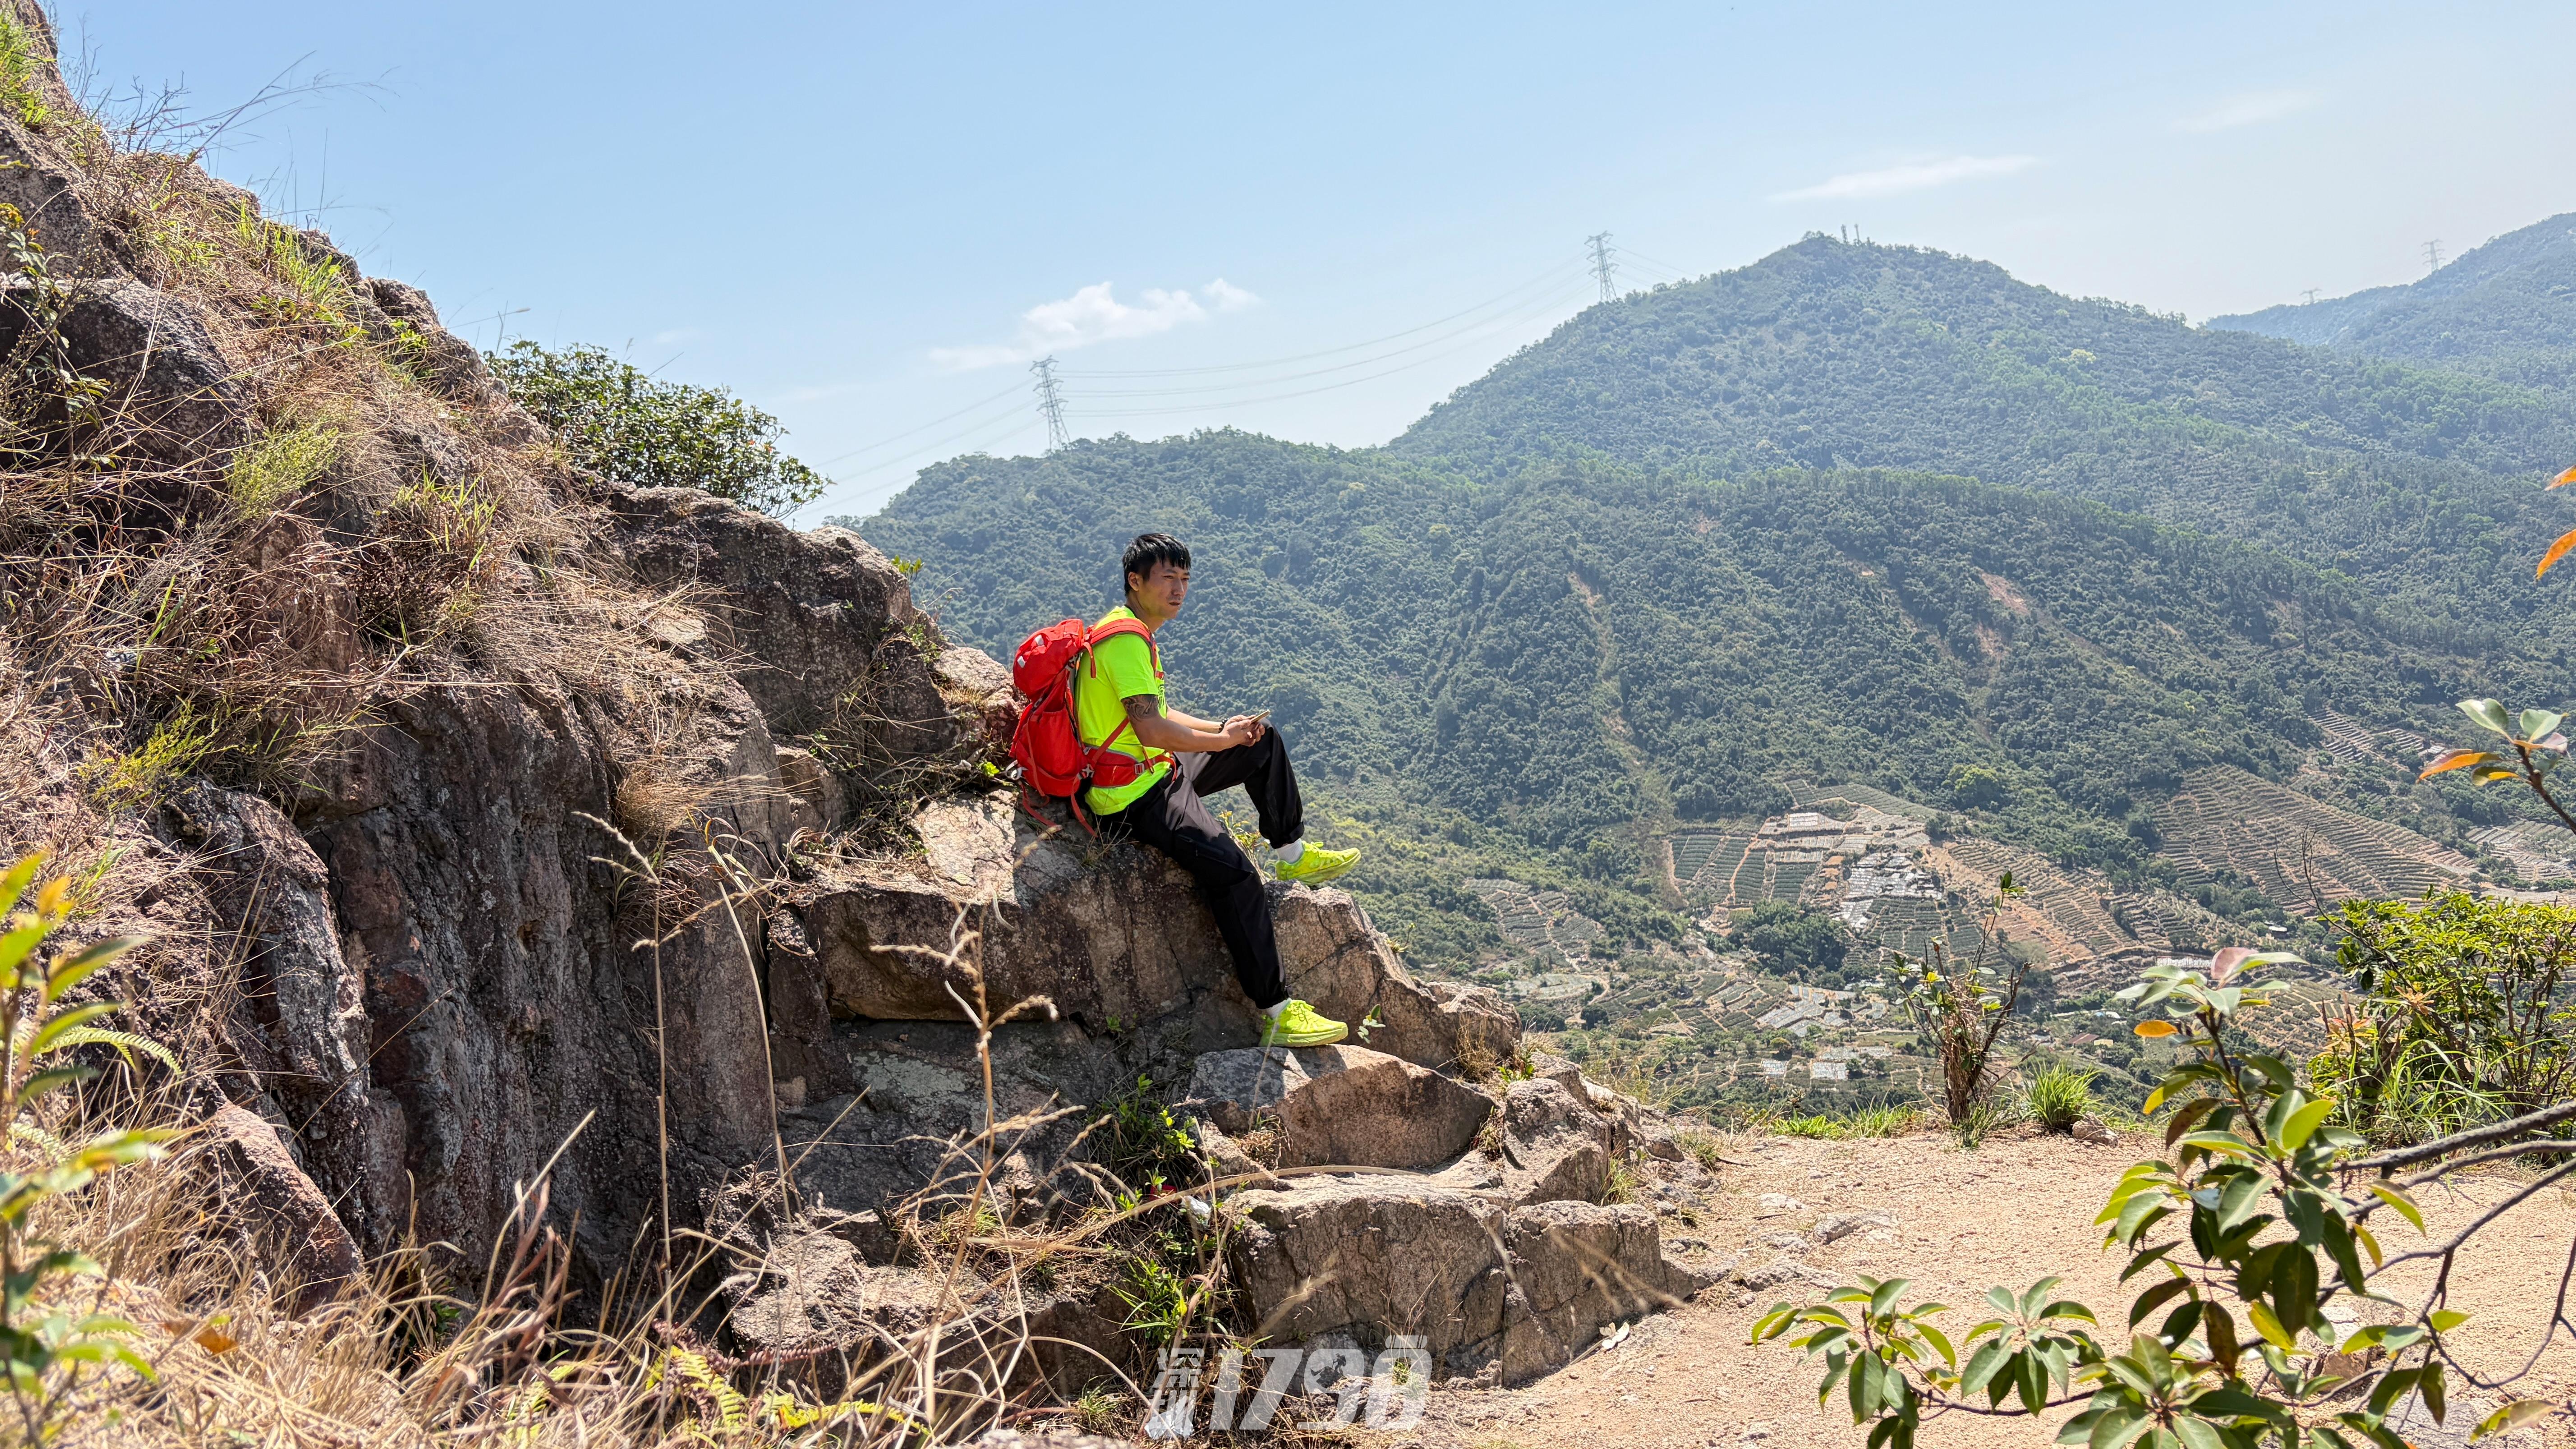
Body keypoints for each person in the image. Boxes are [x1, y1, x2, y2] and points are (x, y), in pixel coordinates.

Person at [1076, 532, 1361, 1047]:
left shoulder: (1133, 632)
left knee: (1260, 742)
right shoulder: (1124, 641)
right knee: (1236, 875)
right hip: (1132, 794)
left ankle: (1293, 855)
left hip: (1155, 767)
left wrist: (1225, 731)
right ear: (1135, 581)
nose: (1179, 589)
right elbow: (1151, 730)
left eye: (1185, 579)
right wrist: (1218, 740)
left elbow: (1160, 713)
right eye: (1168, 577)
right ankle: (1277, 1013)